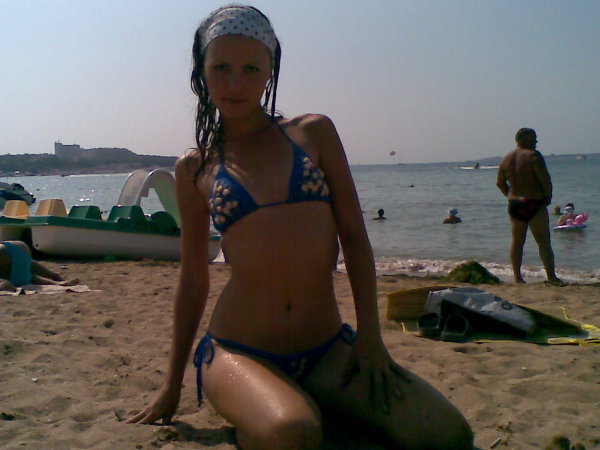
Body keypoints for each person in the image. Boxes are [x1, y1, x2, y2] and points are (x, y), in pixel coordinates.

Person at [128, 5, 473, 449]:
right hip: (239, 352)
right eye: (221, 68)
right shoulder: (195, 167)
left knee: (446, 434)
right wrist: (171, 384)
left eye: (251, 69)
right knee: (296, 432)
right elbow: (193, 279)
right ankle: (270, 413)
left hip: (326, 348)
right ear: (202, 70)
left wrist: (370, 339)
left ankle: (293, 406)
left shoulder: (313, 134)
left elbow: (354, 238)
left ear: (270, 70)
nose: (235, 83)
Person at [496, 128, 564, 285]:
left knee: (517, 241)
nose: (536, 141)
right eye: (533, 138)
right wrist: (548, 198)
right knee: (543, 242)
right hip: (534, 202)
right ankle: (551, 277)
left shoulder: (506, 159)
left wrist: (510, 196)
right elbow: (545, 180)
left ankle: (517, 278)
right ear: (523, 139)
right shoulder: (534, 155)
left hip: (515, 204)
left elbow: (500, 183)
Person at [0, 240, 76, 290]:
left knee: (18, 279)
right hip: (16, 245)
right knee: (20, 273)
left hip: (9, 252)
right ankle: (55, 279)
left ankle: (55, 280)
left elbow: (7, 285)